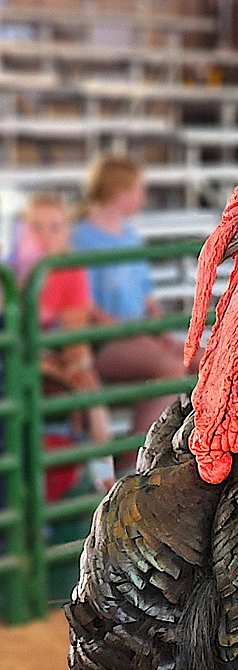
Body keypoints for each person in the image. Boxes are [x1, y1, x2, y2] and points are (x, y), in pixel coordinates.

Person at [72, 154, 191, 434]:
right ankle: (134, 458)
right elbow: (84, 307)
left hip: (137, 333)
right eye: (139, 190)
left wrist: (159, 331)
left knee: (202, 359)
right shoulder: (79, 238)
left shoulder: (130, 236)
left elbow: (146, 296)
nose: (142, 197)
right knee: (172, 368)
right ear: (120, 193)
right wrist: (132, 331)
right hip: (103, 340)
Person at [12, 192, 114, 490]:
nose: (45, 235)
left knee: (88, 388)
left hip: (51, 360)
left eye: (55, 227)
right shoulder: (9, 273)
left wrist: (74, 366)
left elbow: (75, 341)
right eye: (36, 226)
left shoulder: (71, 272)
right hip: (17, 361)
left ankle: (103, 482)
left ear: (66, 233)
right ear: (22, 230)